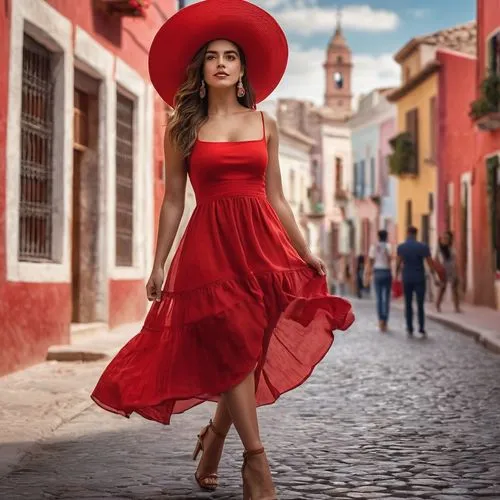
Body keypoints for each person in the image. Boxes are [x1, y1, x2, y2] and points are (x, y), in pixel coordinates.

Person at [90, 2, 355, 499]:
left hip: (262, 245)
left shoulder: (265, 123)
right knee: (233, 341)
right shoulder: (182, 127)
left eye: (230, 55)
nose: (221, 62)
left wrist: (306, 250)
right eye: (211, 55)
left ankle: (213, 437)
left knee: (246, 351)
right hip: (210, 247)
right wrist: (159, 261)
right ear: (201, 69)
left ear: (241, 70)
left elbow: (276, 196)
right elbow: (173, 199)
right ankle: (256, 461)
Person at [396, 226, 440, 336]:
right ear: (417, 234)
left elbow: (398, 263)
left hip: (407, 277)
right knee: (420, 304)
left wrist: (396, 276)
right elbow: (430, 263)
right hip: (419, 277)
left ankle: (410, 327)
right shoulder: (423, 247)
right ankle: (421, 327)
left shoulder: (401, 247)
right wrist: (435, 277)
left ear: (407, 233)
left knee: (408, 303)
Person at [365, 230, 392, 332]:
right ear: (386, 236)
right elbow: (390, 260)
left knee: (379, 298)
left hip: (377, 272)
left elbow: (370, 261)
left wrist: (367, 274)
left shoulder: (373, 247)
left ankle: (380, 321)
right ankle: (385, 321)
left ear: (378, 236)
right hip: (386, 272)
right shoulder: (388, 246)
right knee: (387, 298)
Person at [435, 231, 461, 313]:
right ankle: (438, 305)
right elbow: (436, 258)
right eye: (444, 238)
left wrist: (457, 270)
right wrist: (438, 269)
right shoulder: (440, 247)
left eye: (447, 238)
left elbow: (455, 259)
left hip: (452, 269)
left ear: (450, 239)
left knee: (455, 288)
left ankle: (457, 307)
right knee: (443, 287)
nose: (445, 239)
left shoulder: (452, 247)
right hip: (444, 269)